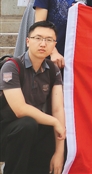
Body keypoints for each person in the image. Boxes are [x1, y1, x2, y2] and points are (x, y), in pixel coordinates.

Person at [0, 21, 65, 174]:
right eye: (38, 38)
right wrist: (55, 122)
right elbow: (20, 110)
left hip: (32, 131)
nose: (43, 44)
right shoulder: (12, 66)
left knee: (48, 130)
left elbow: (57, 109)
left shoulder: (53, 70)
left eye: (49, 40)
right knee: (28, 124)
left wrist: (59, 152)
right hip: (6, 132)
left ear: (54, 45)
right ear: (28, 41)